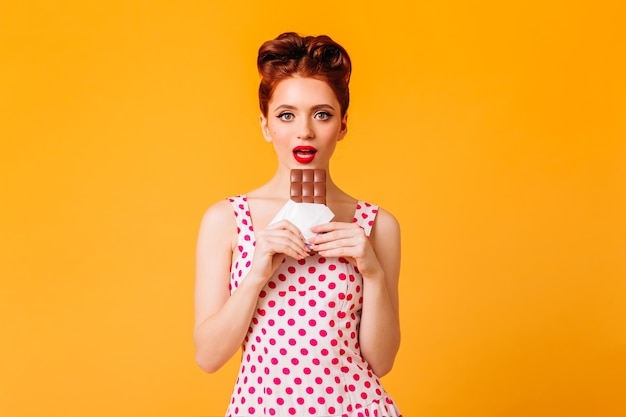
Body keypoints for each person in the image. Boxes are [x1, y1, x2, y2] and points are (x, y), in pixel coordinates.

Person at [194, 32, 402, 417]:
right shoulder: (226, 219)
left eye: (322, 114)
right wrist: (256, 273)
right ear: (265, 125)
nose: (304, 131)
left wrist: (371, 272)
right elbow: (208, 357)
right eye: (286, 114)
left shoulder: (376, 225)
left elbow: (382, 361)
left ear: (342, 126)